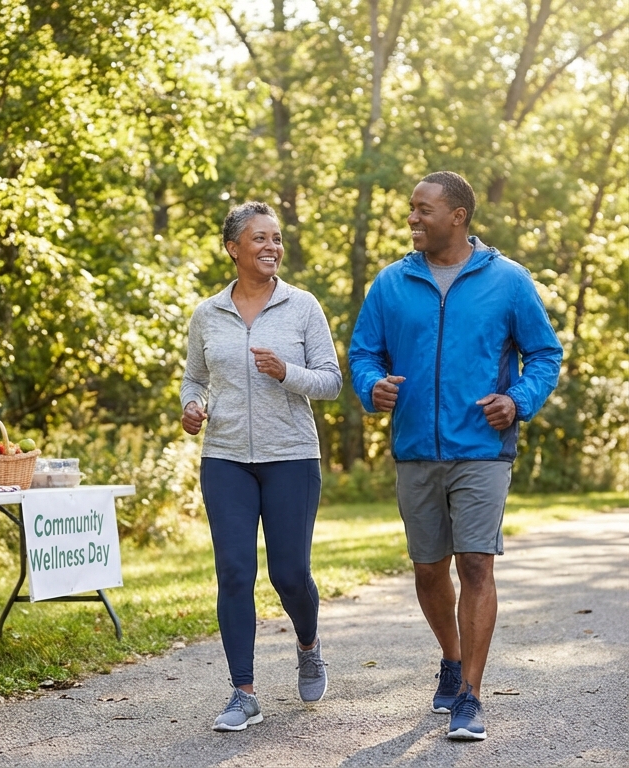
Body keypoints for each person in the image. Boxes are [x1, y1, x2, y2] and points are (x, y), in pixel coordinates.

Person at [349, 171, 562, 741]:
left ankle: (470, 693)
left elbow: (544, 353)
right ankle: (450, 656)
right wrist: (373, 387)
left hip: (483, 451)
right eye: (412, 209)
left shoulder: (509, 281)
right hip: (416, 447)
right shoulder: (391, 284)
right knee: (427, 569)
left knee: (476, 564)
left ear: (458, 216)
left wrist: (517, 401)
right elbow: (363, 352)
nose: (413, 218)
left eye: (423, 209)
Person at [179, 201, 342, 732]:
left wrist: (286, 372)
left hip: (291, 455)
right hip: (225, 457)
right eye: (260, 239)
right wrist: (192, 407)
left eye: (276, 239)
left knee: (290, 573)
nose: (272, 247)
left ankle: (309, 644)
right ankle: (243, 691)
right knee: (233, 572)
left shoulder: (303, 307)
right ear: (233, 249)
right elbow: (194, 379)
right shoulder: (208, 313)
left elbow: (331, 381)